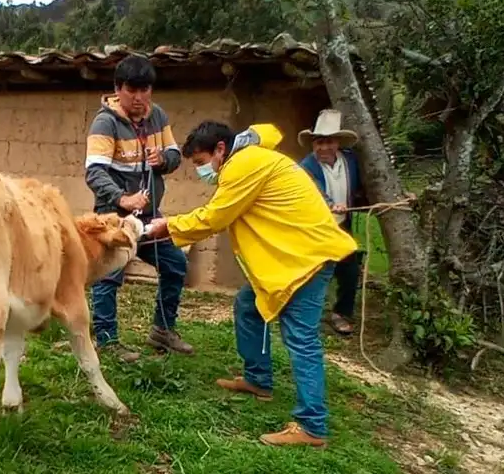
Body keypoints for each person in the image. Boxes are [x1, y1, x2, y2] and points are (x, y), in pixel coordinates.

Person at [145, 120, 359, 447]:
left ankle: (312, 426)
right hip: (291, 257)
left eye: (202, 162)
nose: (202, 171)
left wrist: (169, 226)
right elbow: (268, 136)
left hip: (305, 259)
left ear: (220, 149)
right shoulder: (251, 154)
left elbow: (216, 216)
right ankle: (258, 379)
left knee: (301, 337)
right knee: (248, 307)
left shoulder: (242, 165)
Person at [84, 54, 193, 362]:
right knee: (109, 277)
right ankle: (107, 341)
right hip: (115, 219)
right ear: (118, 89)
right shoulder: (105, 122)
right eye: (132, 90)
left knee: (175, 264)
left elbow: (175, 155)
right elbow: (94, 172)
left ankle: (162, 330)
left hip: (149, 217)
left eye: (145, 90)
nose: (139, 97)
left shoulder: (157, 116)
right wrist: (122, 198)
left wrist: (164, 160)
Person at [297, 109, 367, 337]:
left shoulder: (350, 161)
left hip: (342, 224)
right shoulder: (306, 167)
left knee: (349, 271)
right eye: (319, 142)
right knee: (314, 271)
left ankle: (341, 313)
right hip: (317, 227)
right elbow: (314, 192)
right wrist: (330, 205)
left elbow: (363, 186)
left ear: (337, 143)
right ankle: (304, 312)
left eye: (328, 142)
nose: (323, 148)